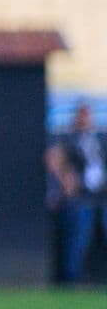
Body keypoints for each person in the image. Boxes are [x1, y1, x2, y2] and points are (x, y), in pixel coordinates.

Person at [46, 103, 105, 286]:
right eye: (82, 115)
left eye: (87, 115)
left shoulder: (100, 139)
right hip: (80, 197)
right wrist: (66, 178)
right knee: (78, 232)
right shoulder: (68, 138)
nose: (84, 119)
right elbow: (53, 157)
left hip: (102, 196)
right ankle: (71, 279)